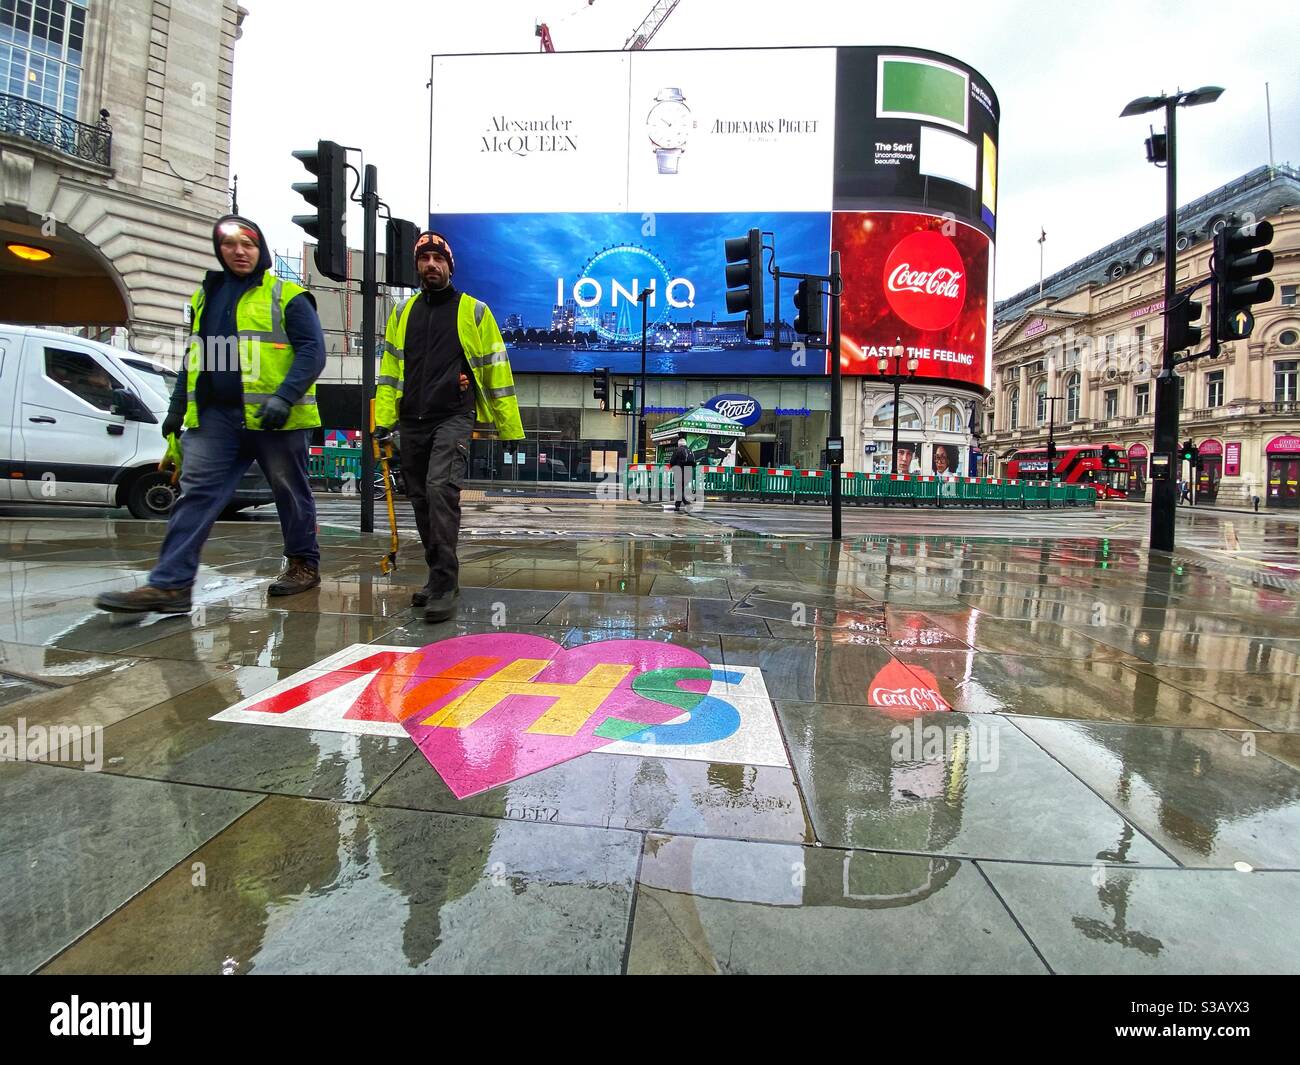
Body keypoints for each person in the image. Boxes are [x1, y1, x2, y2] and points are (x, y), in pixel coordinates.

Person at [95, 215, 327, 613]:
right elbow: (196, 355)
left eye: (248, 244)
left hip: (276, 418)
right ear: (219, 250)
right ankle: (171, 585)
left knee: (289, 492)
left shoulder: (286, 294)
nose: (240, 251)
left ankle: (303, 564)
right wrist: (176, 407)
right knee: (197, 494)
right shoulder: (208, 295)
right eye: (230, 244)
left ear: (262, 250)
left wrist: (285, 397)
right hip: (217, 416)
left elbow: (312, 351)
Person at [374, 232, 524, 622]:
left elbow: (495, 368)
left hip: (453, 417)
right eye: (423, 259)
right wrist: (382, 421)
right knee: (421, 500)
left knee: (441, 490)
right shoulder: (402, 313)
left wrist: (509, 430)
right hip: (411, 420)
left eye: (438, 258)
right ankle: (436, 576)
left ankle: (444, 583)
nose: (431, 265)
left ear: (450, 266)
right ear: (418, 267)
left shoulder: (474, 311)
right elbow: (390, 371)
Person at [668, 436, 696, 512]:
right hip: (688, 472)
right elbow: (694, 463)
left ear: (679, 444)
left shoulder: (678, 450)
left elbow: (672, 462)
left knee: (680, 490)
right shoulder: (690, 450)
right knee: (681, 489)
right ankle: (678, 506)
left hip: (680, 472)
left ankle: (686, 503)